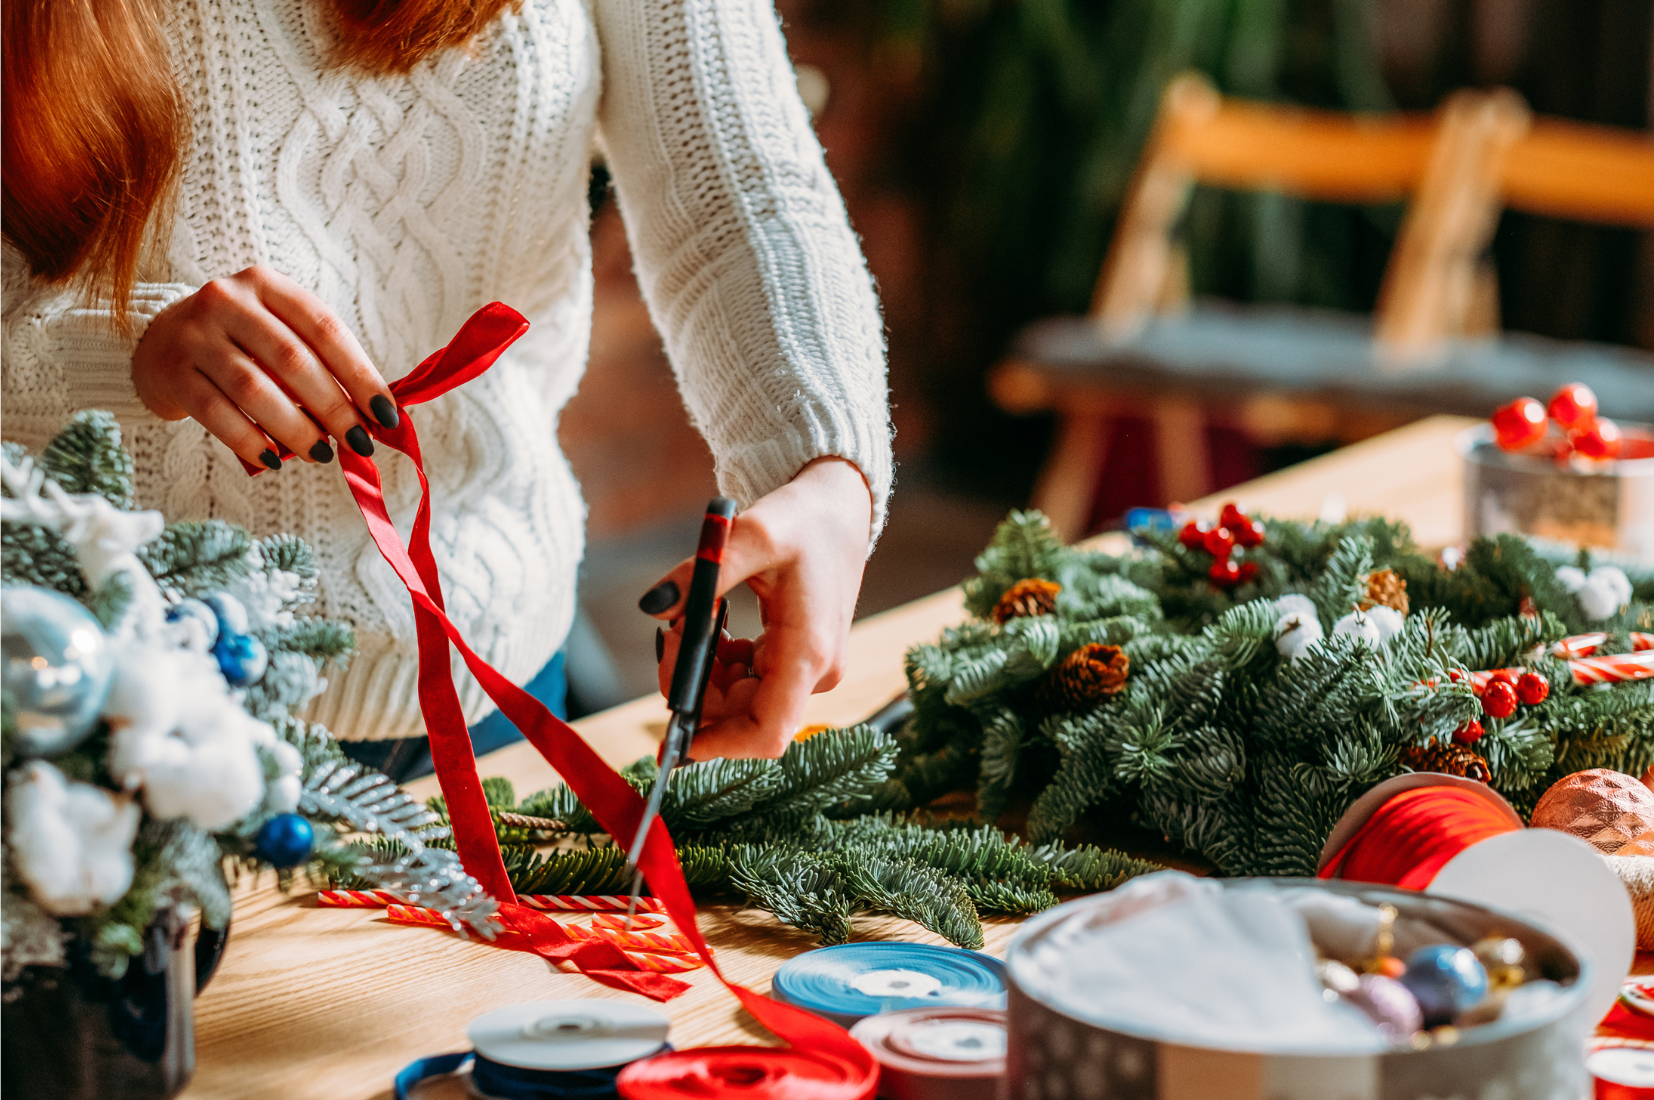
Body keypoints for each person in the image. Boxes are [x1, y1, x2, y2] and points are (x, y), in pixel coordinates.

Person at [2, 0, 891, 773]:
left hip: (492, 676)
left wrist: (821, 468)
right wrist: (124, 355)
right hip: (87, 698)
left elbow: (740, 192)